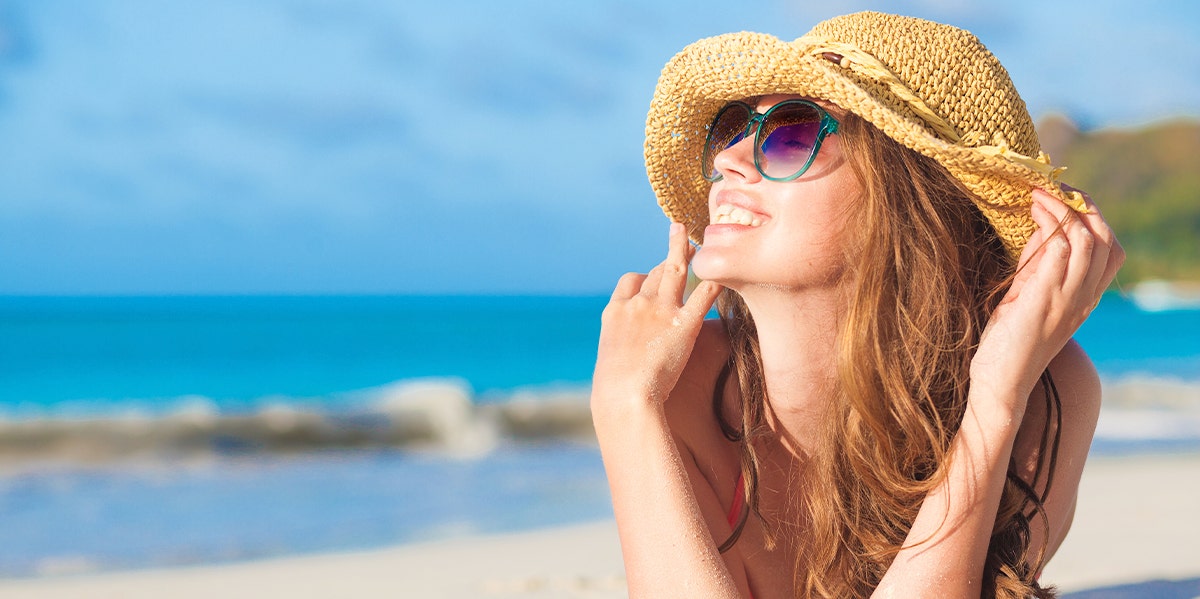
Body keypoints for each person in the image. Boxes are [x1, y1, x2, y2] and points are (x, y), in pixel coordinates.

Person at [591, 11, 1123, 599]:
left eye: (789, 135)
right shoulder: (674, 386)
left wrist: (995, 399)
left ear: (904, 196)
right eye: (731, 128)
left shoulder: (1048, 389)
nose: (727, 160)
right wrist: (622, 405)